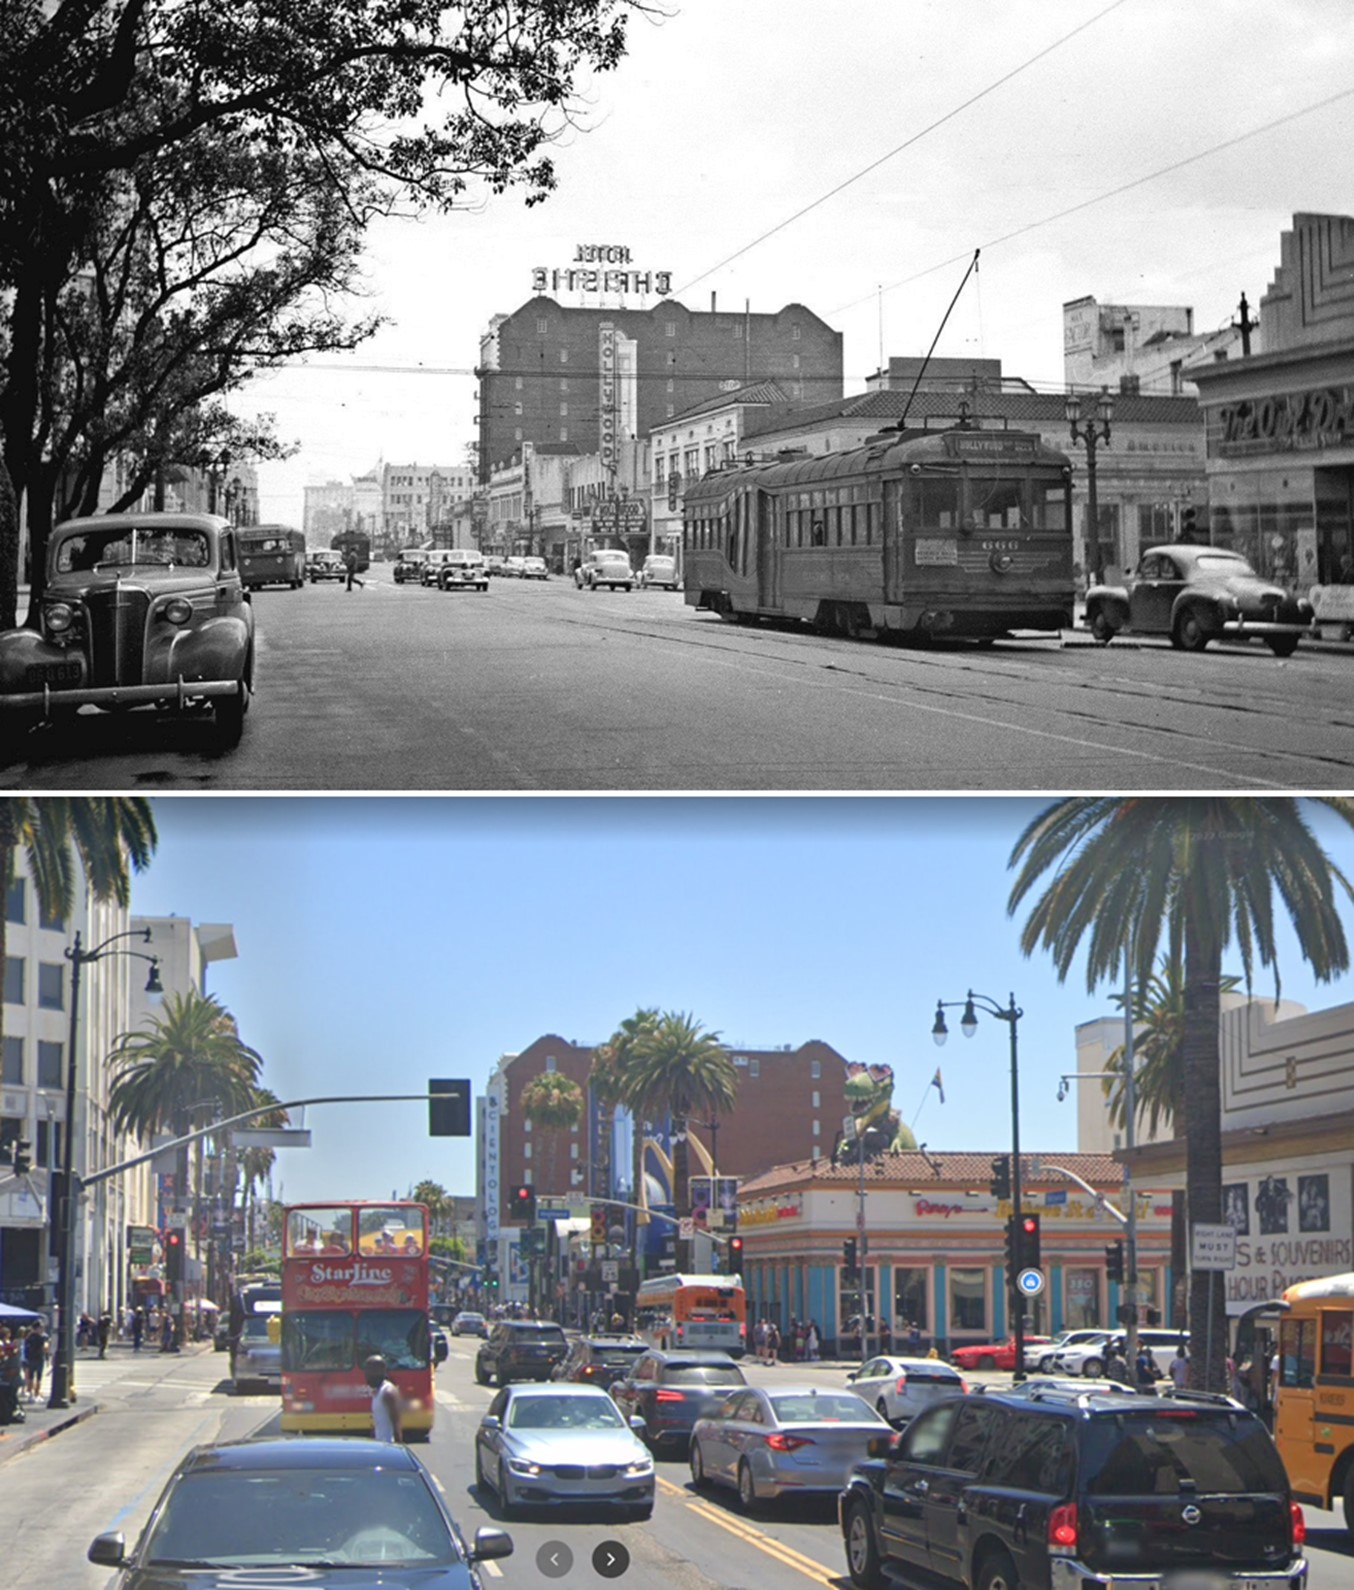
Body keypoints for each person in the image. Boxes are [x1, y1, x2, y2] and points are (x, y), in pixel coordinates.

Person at [364, 1354, 403, 1443]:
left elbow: (396, 1423)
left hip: (388, 1446)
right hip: (380, 1445)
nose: (367, 1376)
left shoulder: (388, 1392)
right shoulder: (377, 1392)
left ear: (380, 1371)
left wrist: (398, 1448)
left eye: (369, 1372)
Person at [22, 1320, 48, 1399]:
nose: (42, 1329)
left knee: (31, 1376)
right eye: (40, 1328)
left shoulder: (28, 1337)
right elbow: (46, 1347)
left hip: (31, 1358)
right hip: (38, 1358)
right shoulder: (42, 1337)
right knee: (38, 1376)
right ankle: (36, 1394)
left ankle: (31, 1394)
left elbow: (26, 1348)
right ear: (36, 1328)